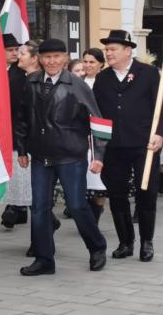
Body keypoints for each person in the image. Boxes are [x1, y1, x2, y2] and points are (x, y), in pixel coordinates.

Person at [16, 38, 108, 276]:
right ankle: (44, 259)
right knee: (39, 208)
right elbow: (22, 118)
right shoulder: (31, 82)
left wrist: (98, 155)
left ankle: (97, 247)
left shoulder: (77, 85)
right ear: (39, 59)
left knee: (77, 206)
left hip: (70, 155)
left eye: (57, 57)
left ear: (65, 58)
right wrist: (22, 149)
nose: (52, 61)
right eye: (47, 57)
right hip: (40, 156)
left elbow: (97, 122)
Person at [93, 30, 163, 263]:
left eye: (112, 49)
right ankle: (126, 242)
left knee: (146, 194)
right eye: (106, 49)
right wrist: (98, 149)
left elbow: (162, 107)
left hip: (144, 145)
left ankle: (147, 241)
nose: (108, 53)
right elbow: (98, 115)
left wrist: (160, 134)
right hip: (114, 147)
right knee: (117, 196)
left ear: (128, 51)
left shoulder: (147, 74)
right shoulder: (102, 78)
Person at [1, 33, 30, 229]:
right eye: (10, 50)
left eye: (16, 50)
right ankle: (15, 209)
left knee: (21, 176)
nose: (15, 53)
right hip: (0, 131)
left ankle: (16, 209)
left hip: (16, 131)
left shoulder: (21, 75)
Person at [81, 48, 109, 223]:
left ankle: (95, 216)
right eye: (85, 61)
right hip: (80, 136)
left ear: (101, 64)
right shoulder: (77, 82)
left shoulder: (106, 83)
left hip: (100, 137)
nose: (88, 65)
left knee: (99, 182)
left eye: (92, 62)